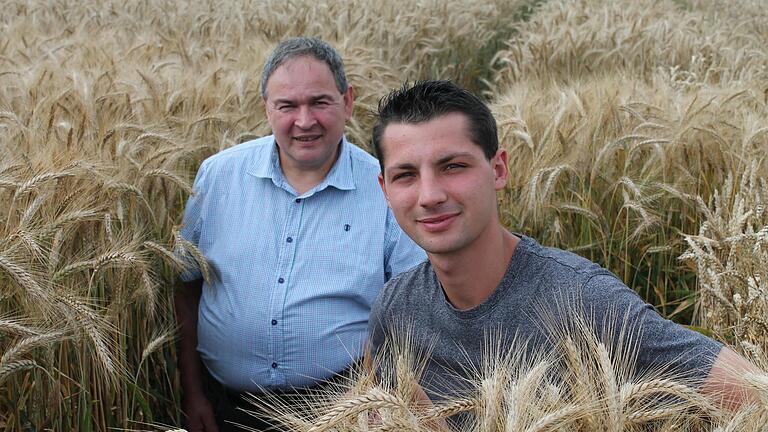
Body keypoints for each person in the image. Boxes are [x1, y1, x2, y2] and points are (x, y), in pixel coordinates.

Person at [368, 80, 757, 414]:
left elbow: (754, 396)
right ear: (385, 190)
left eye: (453, 166)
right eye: (406, 176)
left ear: (498, 170)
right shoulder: (397, 307)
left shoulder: (583, 301)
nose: (430, 195)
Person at [174, 37, 424, 432]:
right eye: (287, 106)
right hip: (226, 410)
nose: (304, 121)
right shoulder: (217, 176)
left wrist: (377, 398)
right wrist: (192, 394)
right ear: (266, 110)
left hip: (341, 412)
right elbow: (187, 286)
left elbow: (412, 310)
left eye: (319, 102)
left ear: (347, 101)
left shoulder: (388, 188)